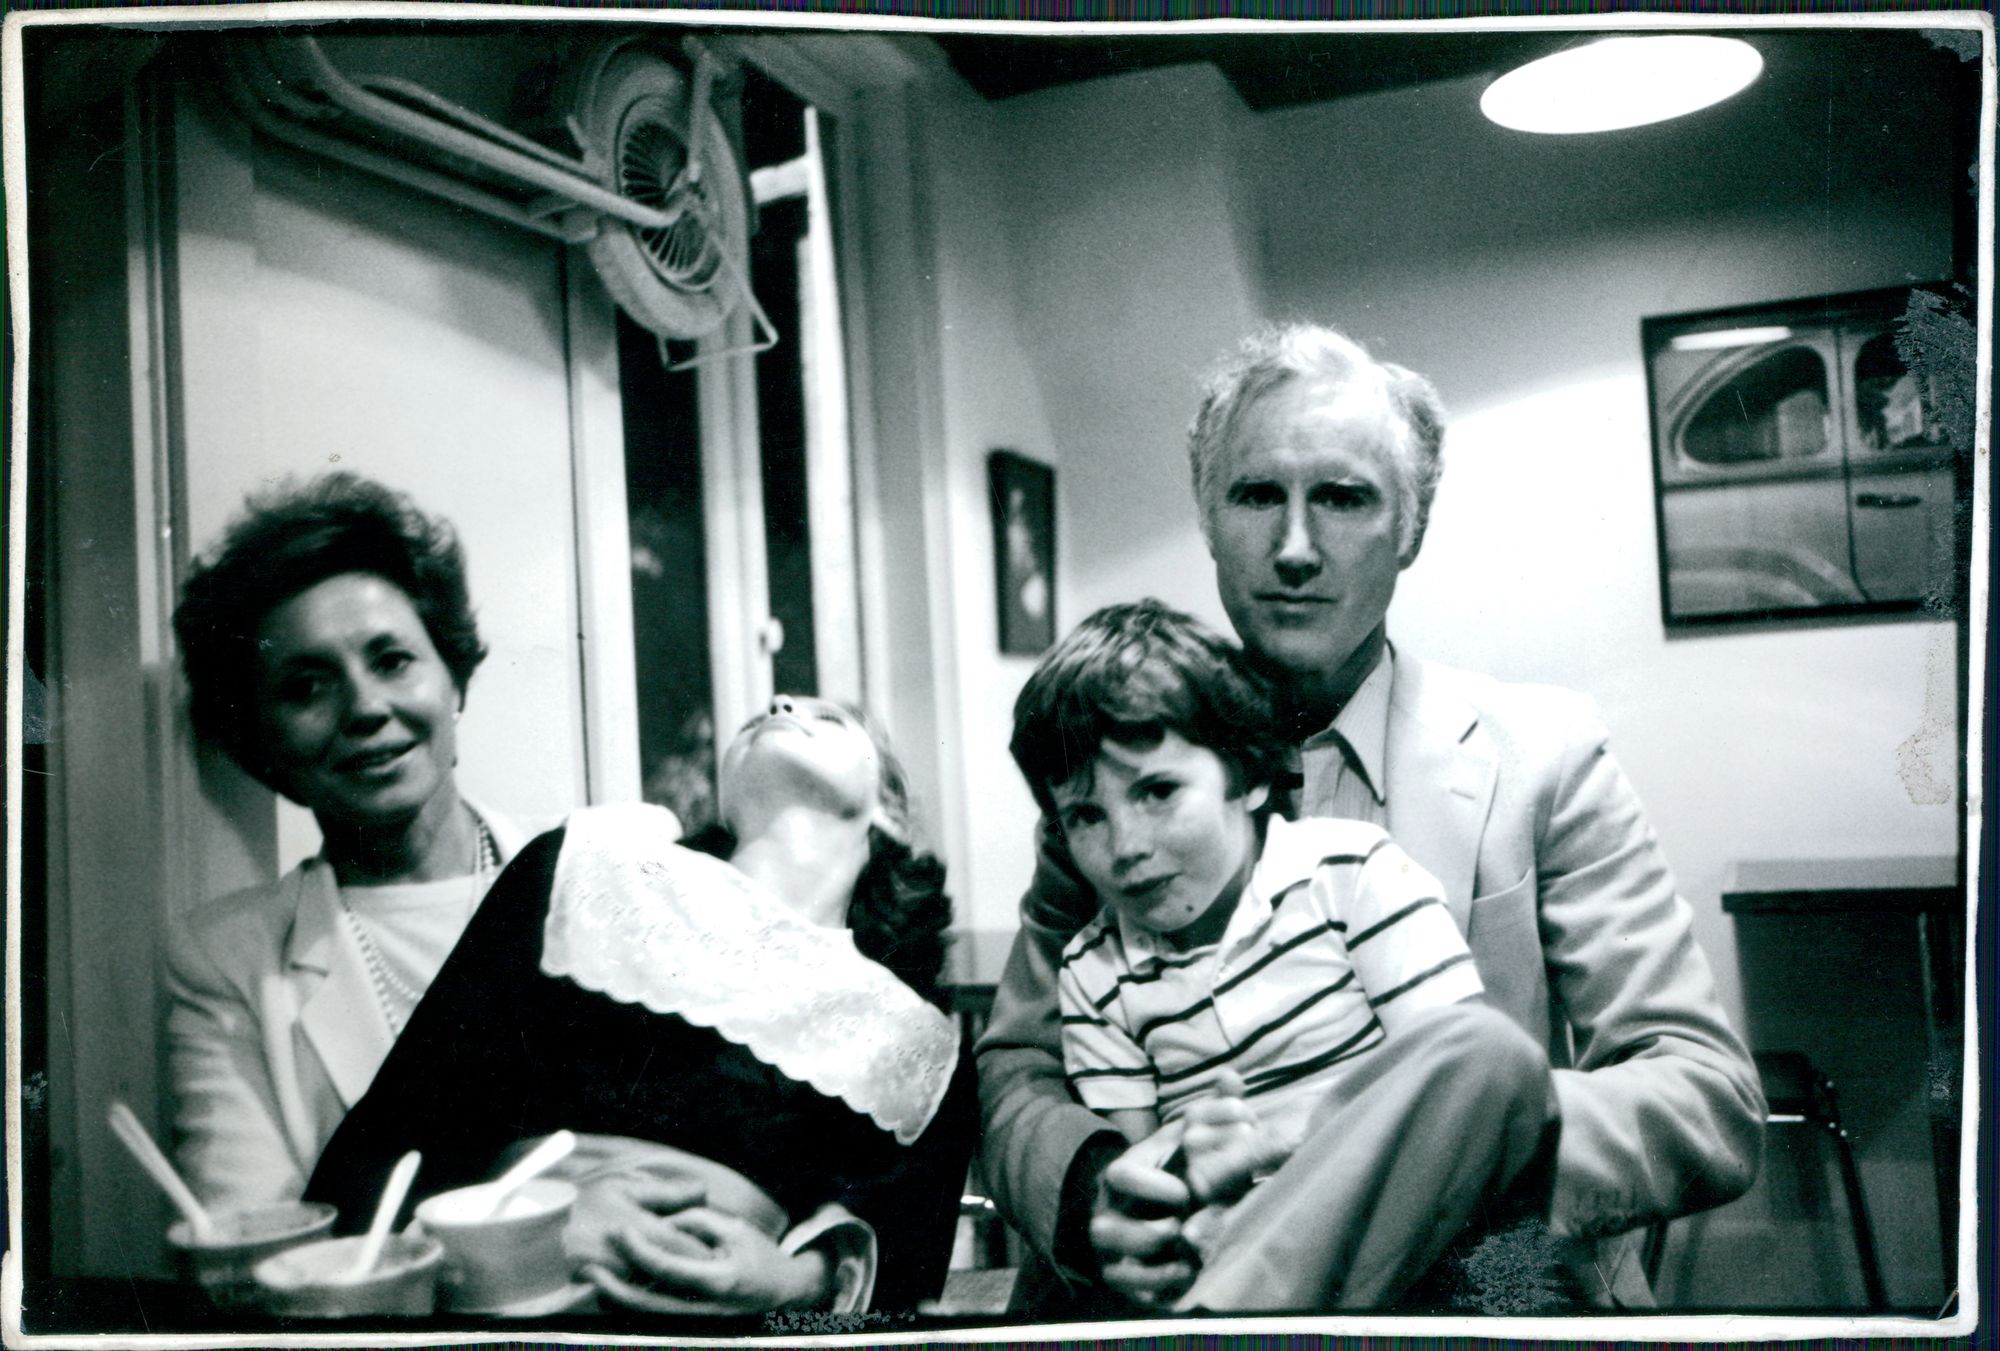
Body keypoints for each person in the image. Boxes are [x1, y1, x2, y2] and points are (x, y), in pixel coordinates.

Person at [977, 324, 1766, 1313]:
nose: (1295, 548)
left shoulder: (1543, 756)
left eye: (1343, 498)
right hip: (1171, 1271)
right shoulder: (1117, 778)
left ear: (1411, 526)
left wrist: (1374, 1144)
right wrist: (1094, 1189)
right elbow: (1015, 1070)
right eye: (1256, 495)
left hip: (1475, 1298)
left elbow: (1703, 1098)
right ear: (1206, 517)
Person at [305, 696, 978, 1316]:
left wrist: (798, 1282)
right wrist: (524, 1226)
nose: (780, 703)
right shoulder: (578, 879)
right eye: (769, 710)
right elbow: (371, 1162)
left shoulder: (914, 1044)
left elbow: (907, 1291)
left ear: (888, 806)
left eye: (827, 717)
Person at [1016, 600, 1553, 1310]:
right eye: (1086, 815)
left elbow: (1457, 1089)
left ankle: (1239, 1315)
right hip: (1228, 1249)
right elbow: (1141, 1190)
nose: (1127, 846)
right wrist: (1179, 1164)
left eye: (1158, 791)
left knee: (1489, 1049)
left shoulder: (1350, 872)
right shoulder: (1094, 973)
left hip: (1407, 1239)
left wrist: (1273, 1142)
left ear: (1250, 776)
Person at [165, 474, 531, 1210]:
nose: (365, 707)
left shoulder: (594, 881)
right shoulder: (225, 961)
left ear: (452, 678)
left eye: (392, 660)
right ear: (261, 744)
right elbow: (253, 1251)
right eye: (306, 686)